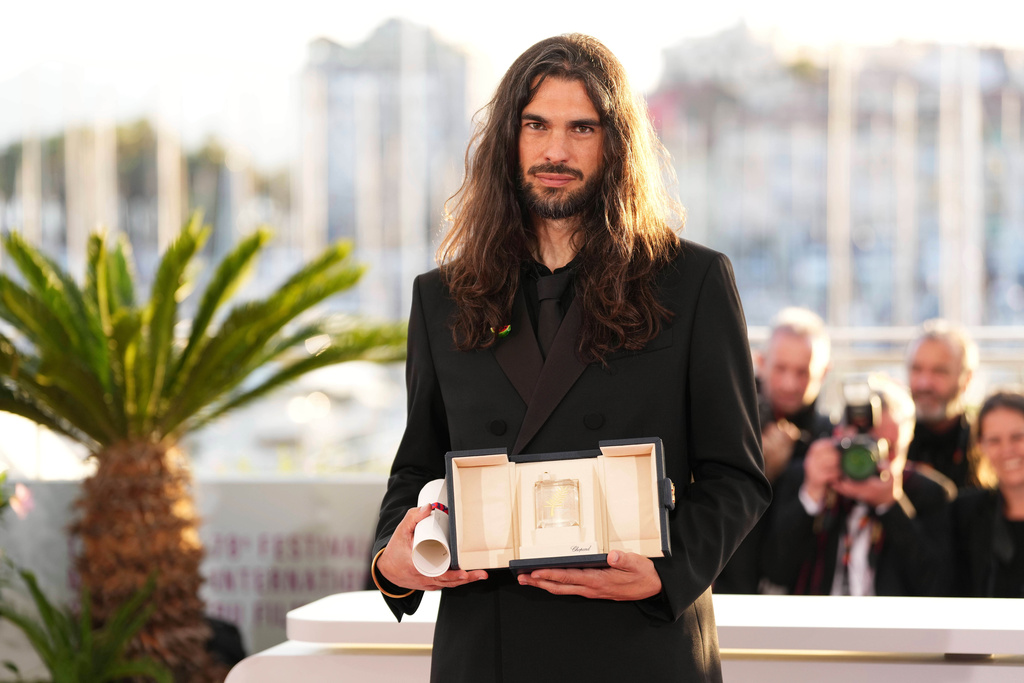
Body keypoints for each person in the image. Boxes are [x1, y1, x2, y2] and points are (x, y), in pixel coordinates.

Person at [369, 34, 770, 682]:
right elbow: (415, 467)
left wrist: (666, 572)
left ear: (616, 144)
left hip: (639, 644)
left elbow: (737, 475)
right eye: (537, 125)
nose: (556, 150)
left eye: (582, 127)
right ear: (509, 138)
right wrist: (392, 561)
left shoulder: (690, 281)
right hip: (490, 650)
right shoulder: (440, 297)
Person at [762, 375, 954, 596]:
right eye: (863, 446)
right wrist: (812, 495)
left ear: (908, 441)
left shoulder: (929, 493)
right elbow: (775, 572)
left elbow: (936, 585)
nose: (872, 461)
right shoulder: (804, 477)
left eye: (888, 449)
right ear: (839, 435)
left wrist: (891, 506)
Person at [714, 306, 835, 593]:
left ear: (824, 372)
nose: (790, 384)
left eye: (803, 372)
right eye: (781, 369)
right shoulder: (727, 418)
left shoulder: (828, 436)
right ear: (761, 362)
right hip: (728, 588)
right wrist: (756, 474)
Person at [950, 390, 1024, 597]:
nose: (1007, 450)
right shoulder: (965, 514)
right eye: (994, 441)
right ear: (980, 446)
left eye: (1018, 437)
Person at [906, 319, 987, 488]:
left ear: (967, 378)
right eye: (916, 369)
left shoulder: (986, 442)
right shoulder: (888, 439)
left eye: (939, 371)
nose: (925, 384)